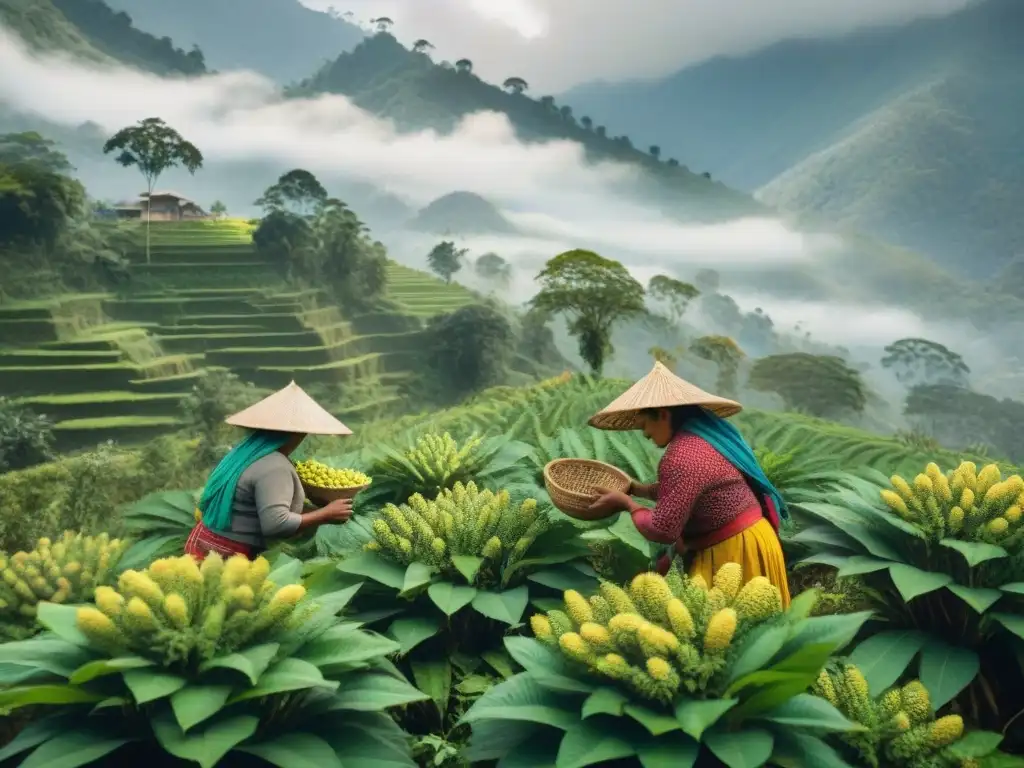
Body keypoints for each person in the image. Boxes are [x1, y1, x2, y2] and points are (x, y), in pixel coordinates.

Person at [585, 362, 791, 606]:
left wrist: (627, 504)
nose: (645, 434)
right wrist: (637, 489)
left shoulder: (682, 455)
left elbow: (663, 529)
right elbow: (683, 490)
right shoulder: (703, 440)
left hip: (733, 552)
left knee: (726, 632)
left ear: (662, 414)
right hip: (752, 537)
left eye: (644, 425)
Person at [185, 380, 356, 561]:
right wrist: (326, 514)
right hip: (227, 554)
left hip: (203, 540)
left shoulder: (243, 453)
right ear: (296, 434)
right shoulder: (274, 467)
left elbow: (259, 504)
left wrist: (314, 507)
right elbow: (276, 524)